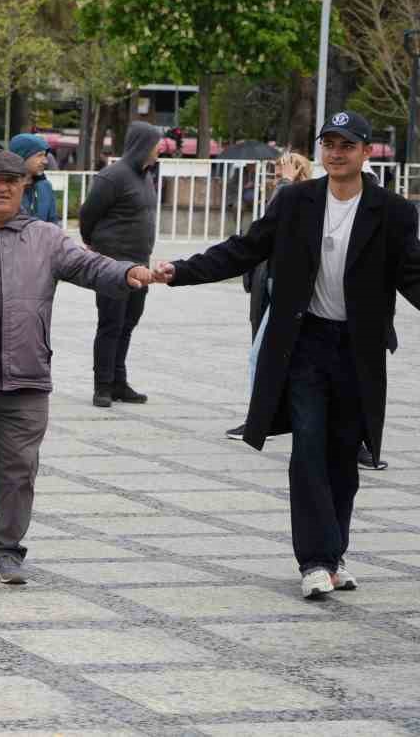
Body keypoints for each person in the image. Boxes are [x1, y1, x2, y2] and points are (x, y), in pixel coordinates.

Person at [153, 111, 420, 598]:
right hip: (303, 344)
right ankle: (314, 560)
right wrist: (181, 271)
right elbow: (244, 249)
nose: (336, 154)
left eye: (347, 145)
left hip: (357, 350)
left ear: (366, 152)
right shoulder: (297, 201)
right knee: (309, 447)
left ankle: (334, 555)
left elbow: (412, 276)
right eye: (329, 144)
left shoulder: (393, 212)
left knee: (343, 455)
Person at [0, 151, 154, 584]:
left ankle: (8, 548)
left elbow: (89, 265)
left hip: (28, 375)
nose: (2, 187)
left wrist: (126, 272)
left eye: (11, 181)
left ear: (23, 187)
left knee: (20, 467)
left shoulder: (46, 238)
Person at [227, 151, 313, 439]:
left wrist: (286, 183)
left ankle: (260, 421)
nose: (277, 178)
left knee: (261, 356)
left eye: (283, 173)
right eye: (276, 173)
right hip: (271, 284)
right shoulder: (286, 196)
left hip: (288, 290)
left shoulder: (300, 198)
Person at [78, 121, 161, 408]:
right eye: (155, 146)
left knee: (128, 324)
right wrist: (92, 243)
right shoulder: (112, 176)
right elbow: (88, 214)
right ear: (142, 146)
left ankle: (118, 382)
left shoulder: (146, 176)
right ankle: (102, 386)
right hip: (113, 264)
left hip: (141, 263)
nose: (158, 151)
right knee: (111, 324)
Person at [10, 133, 60, 226]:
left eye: (45, 155)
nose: (45, 161)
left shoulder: (45, 186)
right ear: (22, 156)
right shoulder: (5, 188)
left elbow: (53, 224)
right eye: (39, 155)